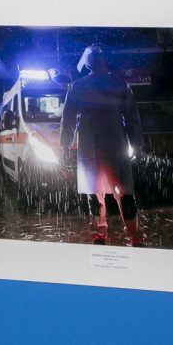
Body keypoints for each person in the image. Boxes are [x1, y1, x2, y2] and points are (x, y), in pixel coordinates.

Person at [60, 43, 144, 246]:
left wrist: (64, 148)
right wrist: (137, 145)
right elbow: (132, 119)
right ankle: (134, 237)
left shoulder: (78, 87)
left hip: (91, 149)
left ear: (87, 64)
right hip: (115, 147)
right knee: (123, 194)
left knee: (95, 194)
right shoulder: (119, 85)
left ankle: (100, 236)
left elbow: (68, 122)